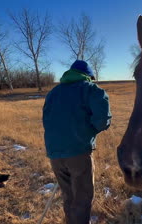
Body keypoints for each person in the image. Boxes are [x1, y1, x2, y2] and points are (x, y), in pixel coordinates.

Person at [43, 60, 112, 224]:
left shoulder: (53, 92)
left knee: (69, 197)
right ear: (88, 76)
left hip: (54, 154)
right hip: (78, 153)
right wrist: (87, 132)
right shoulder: (91, 90)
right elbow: (103, 121)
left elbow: (47, 120)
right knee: (82, 198)